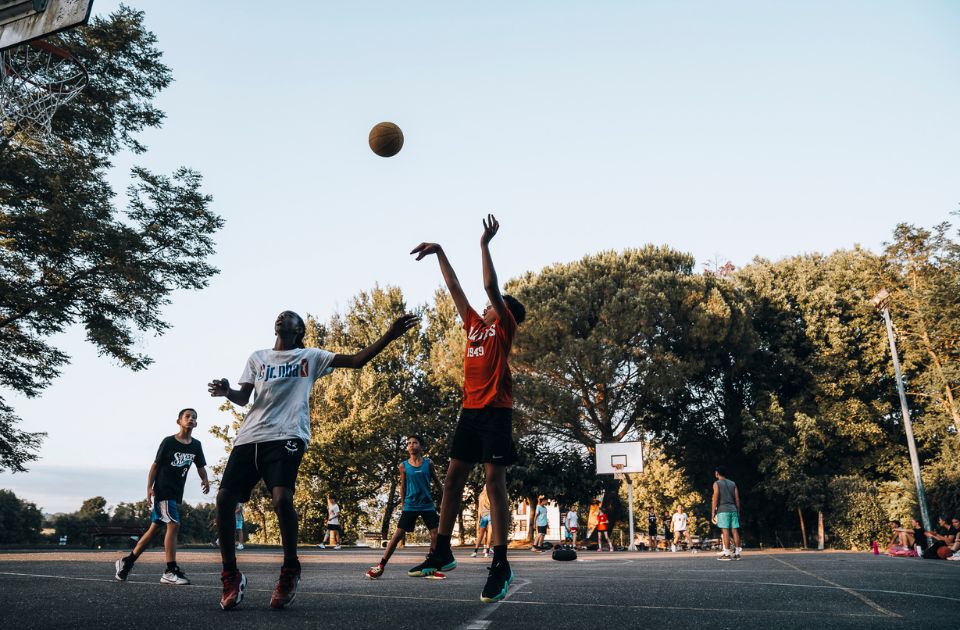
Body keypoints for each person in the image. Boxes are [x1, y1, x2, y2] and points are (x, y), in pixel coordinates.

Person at [208, 309, 417, 610]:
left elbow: (357, 361)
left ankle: (290, 570)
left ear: (300, 329)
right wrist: (227, 390)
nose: (282, 318)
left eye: (289, 317)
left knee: (282, 499)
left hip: (288, 434)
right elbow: (244, 398)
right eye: (279, 316)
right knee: (224, 500)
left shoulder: (310, 357)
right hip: (250, 437)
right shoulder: (257, 357)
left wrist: (389, 334)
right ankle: (230, 575)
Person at [407, 214, 527, 603]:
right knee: (453, 479)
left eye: (494, 305)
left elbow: (490, 285)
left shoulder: (503, 326)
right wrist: (440, 251)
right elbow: (455, 286)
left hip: (495, 411)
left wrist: (484, 245)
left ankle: (501, 562)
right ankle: (442, 551)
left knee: (494, 483)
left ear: (503, 311)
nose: (488, 305)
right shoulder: (474, 325)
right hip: (470, 412)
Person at [115, 408, 210, 584]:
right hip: (163, 490)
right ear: (179, 421)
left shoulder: (196, 445)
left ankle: (126, 562)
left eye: (194, 417)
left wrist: (205, 479)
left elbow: (200, 465)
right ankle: (170, 570)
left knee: (154, 530)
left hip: (175, 492)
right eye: (187, 416)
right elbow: (155, 466)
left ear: (196, 423)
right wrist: (149, 488)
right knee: (174, 524)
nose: (191, 419)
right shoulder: (168, 442)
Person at [366, 435, 443, 579]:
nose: (411, 445)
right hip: (411, 505)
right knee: (397, 535)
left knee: (435, 534)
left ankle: (432, 567)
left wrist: (445, 499)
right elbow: (402, 486)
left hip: (427, 505)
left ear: (421, 447)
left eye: (414, 443)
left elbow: (438, 482)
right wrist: (403, 505)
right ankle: (380, 566)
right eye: (409, 443)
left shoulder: (428, 463)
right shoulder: (403, 465)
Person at [711, 466, 742, 561]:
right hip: (733, 509)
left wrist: (713, 512)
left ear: (717, 473)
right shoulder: (733, 483)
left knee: (725, 531)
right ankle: (737, 553)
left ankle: (727, 554)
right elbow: (737, 499)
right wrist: (738, 511)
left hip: (723, 509)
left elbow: (715, 497)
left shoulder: (716, 483)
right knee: (735, 530)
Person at [472, 487, 492, 558]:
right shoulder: (491, 494)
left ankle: (475, 552)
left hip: (483, 516)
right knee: (489, 535)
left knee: (480, 535)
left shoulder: (481, 495)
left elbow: (479, 508)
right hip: (491, 515)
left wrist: (479, 518)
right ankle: (487, 552)